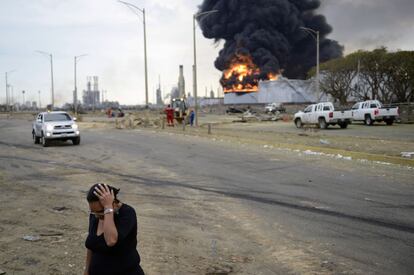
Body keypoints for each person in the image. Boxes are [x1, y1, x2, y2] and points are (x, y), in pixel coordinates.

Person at [84, 183, 145, 275]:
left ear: (114, 203)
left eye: (100, 212)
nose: (96, 215)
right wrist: (86, 270)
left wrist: (108, 208)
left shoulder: (127, 213)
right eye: (93, 211)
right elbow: (92, 246)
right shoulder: (95, 215)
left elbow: (111, 240)